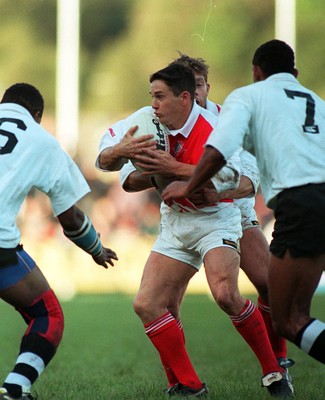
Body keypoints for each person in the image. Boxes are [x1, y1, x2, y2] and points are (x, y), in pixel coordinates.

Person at [97, 63, 293, 398]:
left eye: (160, 96)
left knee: (227, 293)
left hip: (220, 218)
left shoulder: (219, 125)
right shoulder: (148, 119)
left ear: (190, 94)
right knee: (149, 303)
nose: (153, 103)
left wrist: (177, 175)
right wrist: (122, 153)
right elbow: (107, 162)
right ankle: (187, 385)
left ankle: (275, 371)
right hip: (176, 222)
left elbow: (238, 179)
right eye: (152, 96)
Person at [162, 39, 325, 366]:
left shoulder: (243, 101)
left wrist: (188, 184)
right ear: (295, 72)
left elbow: (227, 160)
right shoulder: (317, 101)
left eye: (197, 85)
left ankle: (276, 363)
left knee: (285, 315)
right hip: (305, 202)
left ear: (255, 72)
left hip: (280, 205)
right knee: (288, 309)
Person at [0, 83, 118, 400]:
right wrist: (96, 248)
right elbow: (71, 219)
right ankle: (15, 388)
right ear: (37, 115)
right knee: (47, 316)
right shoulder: (41, 140)